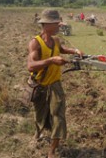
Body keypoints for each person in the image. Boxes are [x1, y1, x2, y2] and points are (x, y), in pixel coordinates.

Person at [27, 9, 83, 158]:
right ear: (47, 25)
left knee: (58, 115)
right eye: (57, 24)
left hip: (55, 84)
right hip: (40, 85)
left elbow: (62, 49)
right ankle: (38, 131)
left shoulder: (56, 40)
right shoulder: (35, 43)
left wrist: (75, 51)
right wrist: (51, 60)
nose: (60, 26)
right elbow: (31, 66)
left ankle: (52, 150)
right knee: (40, 114)